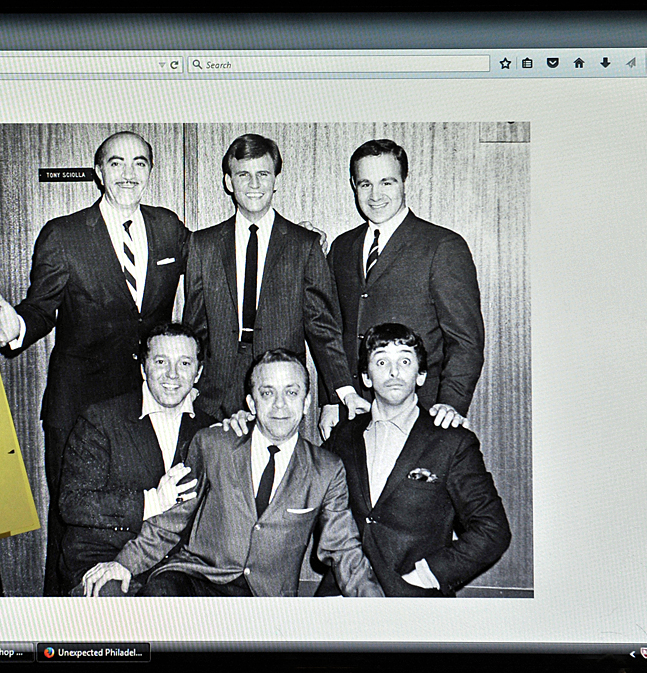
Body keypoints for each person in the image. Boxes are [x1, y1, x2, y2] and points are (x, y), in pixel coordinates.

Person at [0, 131, 189, 596]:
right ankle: (61, 616)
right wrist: (15, 326)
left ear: (150, 171)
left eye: (139, 163)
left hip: (143, 402)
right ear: (98, 172)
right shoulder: (64, 234)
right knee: (75, 521)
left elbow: (211, 262)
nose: (128, 174)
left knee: (142, 515)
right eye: (116, 163)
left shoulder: (169, 227)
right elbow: (41, 307)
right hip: (78, 402)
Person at [81, 349, 383, 598]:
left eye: (291, 393)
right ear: (251, 403)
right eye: (267, 393)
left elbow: (343, 548)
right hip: (196, 579)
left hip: (264, 597)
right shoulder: (213, 444)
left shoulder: (326, 470)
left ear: (306, 403)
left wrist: (377, 609)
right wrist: (124, 563)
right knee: (160, 600)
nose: (279, 405)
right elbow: (172, 519)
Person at [318, 323, 510, 597]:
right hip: (343, 596)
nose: (394, 372)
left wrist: (429, 574)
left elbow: (493, 529)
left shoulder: (451, 440)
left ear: (421, 375)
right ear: (366, 378)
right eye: (381, 361)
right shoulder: (343, 436)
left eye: (405, 361)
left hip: (412, 599)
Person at [184, 133, 353, 421]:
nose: (254, 185)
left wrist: (344, 391)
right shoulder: (203, 245)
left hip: (280, 385)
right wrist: (190, 386)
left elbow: (322, 326)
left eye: (262, 174)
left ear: (276, 180)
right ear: (229, 182)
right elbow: (195, 326)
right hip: (216, 390)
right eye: (243, 175)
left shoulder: (304, 245)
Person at [323, 139, 484, 439]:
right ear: (353, 185)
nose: (375, 195)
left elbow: (465, 340)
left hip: (423, 416)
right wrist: (332, 399)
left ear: (404, 181)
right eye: (365, 184)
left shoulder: (442, 246)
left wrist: (450, 405)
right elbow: (331, 331)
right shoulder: (342, 247)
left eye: (387, 182)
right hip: (354, 414)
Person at [57, 323, 216, 595]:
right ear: (144, 368)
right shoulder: (100, 419)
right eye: (161, 361)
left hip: (174, 565)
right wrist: (152, 502)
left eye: (184, 363)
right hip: (103, 557)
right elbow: (73, 504)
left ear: (198, 372)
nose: (172, 374)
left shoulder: (210, 429)